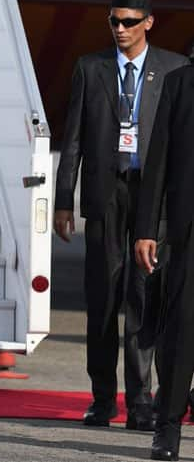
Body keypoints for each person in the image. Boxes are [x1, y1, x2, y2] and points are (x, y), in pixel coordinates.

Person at [55, 0, 187, 431]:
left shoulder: (173, 69)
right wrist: (62, 201)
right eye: (114, 21)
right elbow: (71, 138)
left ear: (149, 22)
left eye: (129, 21)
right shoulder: (90, 68)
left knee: (144, 298)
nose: (120, 29)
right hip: (105, 196)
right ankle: (100, 398)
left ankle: (141, 400)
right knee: (103, 299)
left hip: (153, 201)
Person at [135, 61, 194, 461]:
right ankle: (168, 426)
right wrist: (146, 228)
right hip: (189, 228)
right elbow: (157, 160)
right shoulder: (181, 83)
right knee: (182, 328)